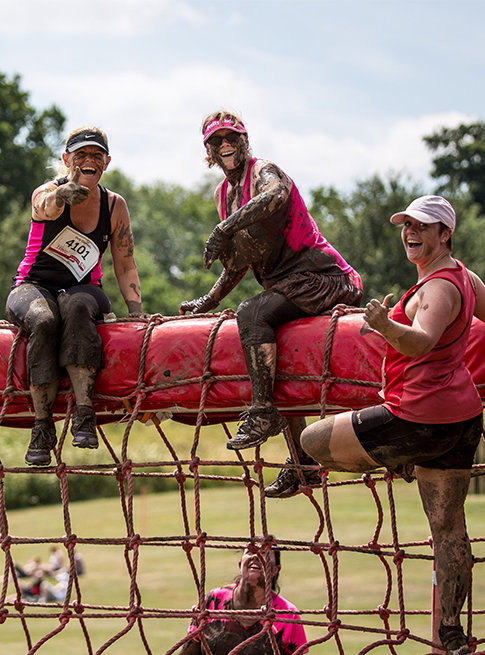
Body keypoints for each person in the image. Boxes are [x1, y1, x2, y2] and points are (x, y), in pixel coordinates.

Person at [300, 195, 485, 655]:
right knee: (448, 527)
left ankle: (395, 462)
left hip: (417, 416)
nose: (410, 232)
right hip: (462, 418)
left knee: (311, 443)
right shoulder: (467, 277)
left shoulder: (439, 288)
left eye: (423, 225)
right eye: (406, 224)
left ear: (445, 234)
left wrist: (383, 325)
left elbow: (421, 342)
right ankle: (451, 631)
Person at [179, 111, 362, 496]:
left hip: (327, 280)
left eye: (233, 137)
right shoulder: (223, 196)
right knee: (278, 363)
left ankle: (262, 412)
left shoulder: (265, 171)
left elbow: (274, 197)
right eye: (217, 140)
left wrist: (224, 228)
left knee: (252, 313)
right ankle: (304, 464)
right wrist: (208, 301)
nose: (225, 144)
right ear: (208, 150)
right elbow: (239, 261)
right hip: (289, 286)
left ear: (246, 140)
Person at [6, 126, 144, 467]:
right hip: (33, 286)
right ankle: (42, 426)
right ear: (67, 160)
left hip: (84, 289)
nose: (89, 161)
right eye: (81, 155)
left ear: (106, 163)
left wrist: (137, 313)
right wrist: (63, 195)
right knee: (43, 318)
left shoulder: (115, 206)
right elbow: (43, 208)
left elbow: (125, 265)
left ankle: (85, 414)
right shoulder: (49, 191)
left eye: (96, 156)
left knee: (78, 305)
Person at [179, 545, 308, 654]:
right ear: (240, 564)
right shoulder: (214, 599)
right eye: (250, 551)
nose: (256, 555)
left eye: (264, 552)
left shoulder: (288, 615)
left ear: (275, 569)